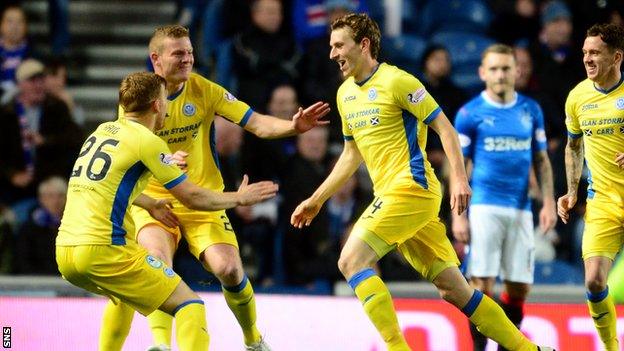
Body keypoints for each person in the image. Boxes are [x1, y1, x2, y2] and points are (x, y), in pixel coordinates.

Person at [291, 13, 553, 351]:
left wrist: (459, 177)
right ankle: (530, 349)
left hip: (412, 188)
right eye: (331, 46)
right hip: (396, 199)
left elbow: (444, 127)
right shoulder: (345, 95)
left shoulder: (399, 82)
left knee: (350, 259)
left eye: (339, 45)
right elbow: (350, 154)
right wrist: (317, 198)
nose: (332, 53)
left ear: (364, 44)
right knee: (455, 290)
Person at [100, 25, 329, 351]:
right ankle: (160, 345)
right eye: (178, 53)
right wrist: (162, 160)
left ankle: (253, 340)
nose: (187, 59)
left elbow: (258, 123)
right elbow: (129, 151)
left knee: (230, 269)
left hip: (202, 200)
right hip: (158, 201)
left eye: (190, 52)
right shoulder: (137, 98)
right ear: (156, 59)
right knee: (156, 261)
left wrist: (293, 126)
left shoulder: (205, 91)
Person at [56, 72, 279, 351]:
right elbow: (193, 197)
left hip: (66, 251)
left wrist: (150, 203)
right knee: (190, 305)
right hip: (103, 249)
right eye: (164, 101)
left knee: (123, 298)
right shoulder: (148, 142)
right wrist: (240, 198)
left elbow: (105, 183)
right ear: (157, 105)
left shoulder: (100, 132)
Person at [452, 44, 557, 351]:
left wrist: (548, 202)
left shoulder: (530, 110)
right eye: (494, 69)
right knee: (480, 287)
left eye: (506, 68)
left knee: (519, 288)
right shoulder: (470, 113)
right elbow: (459, 168)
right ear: (483, 73)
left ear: (517, 71)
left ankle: (506, 347)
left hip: (521, 209)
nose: (500, 74)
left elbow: (541, 160)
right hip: (484, 207)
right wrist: (459, 214)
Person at [557, 23, 624, 351]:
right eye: (585, 52)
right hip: (604, 201)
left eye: (595, 52)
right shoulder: (578, 97)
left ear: (616, 57)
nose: (588, 58)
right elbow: (573, 147)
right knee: (595, 280)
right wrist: (572, 191)